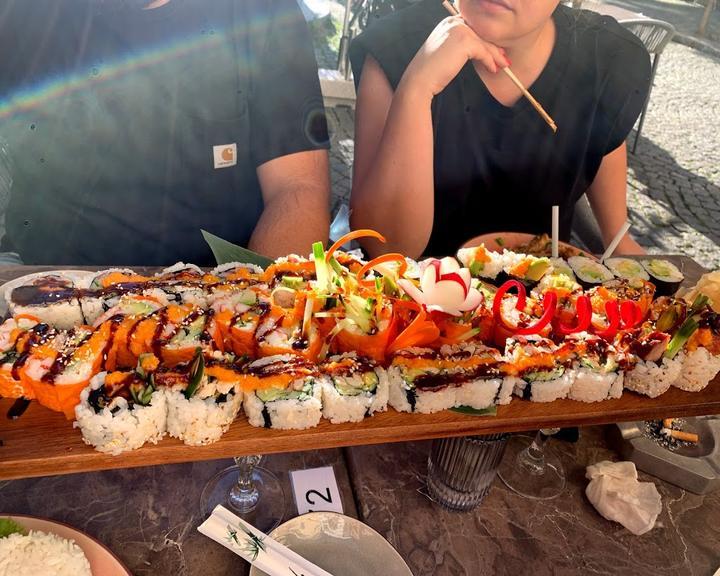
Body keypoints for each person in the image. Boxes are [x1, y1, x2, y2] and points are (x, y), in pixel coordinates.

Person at [0, 0, 330, 266]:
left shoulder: (264, 12)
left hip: (213, 296)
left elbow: (297, 188)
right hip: (38, 282)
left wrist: (250, 312)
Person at [348, 0, 651, 258]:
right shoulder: (395, 47)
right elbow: (385, 249)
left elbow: (599, 144)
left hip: (548, 306)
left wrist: (618, 239)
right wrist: (417, 87)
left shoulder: (606, 59)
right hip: (417, 307)